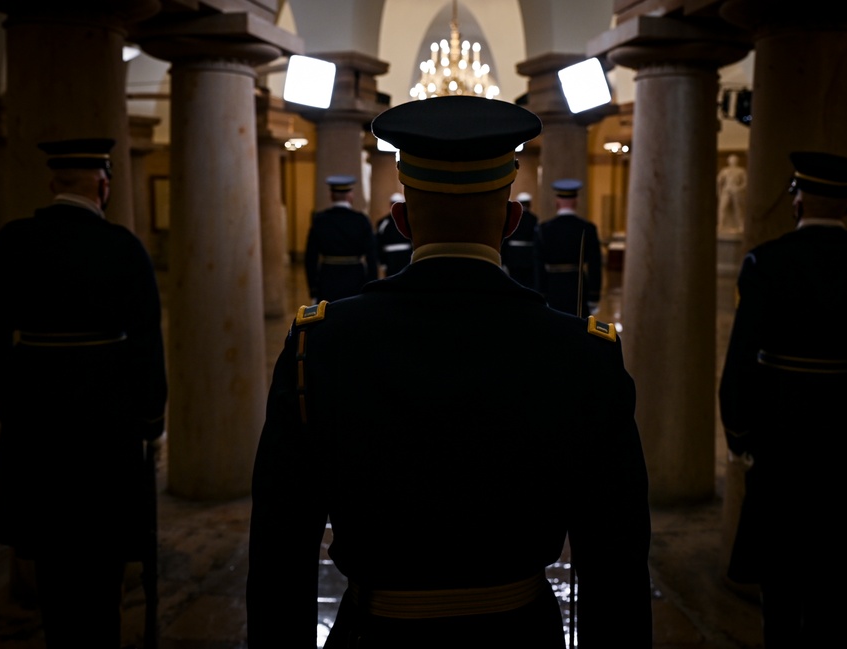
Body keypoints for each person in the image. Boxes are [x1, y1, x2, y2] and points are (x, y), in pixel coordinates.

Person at [248, 96, 651, 648]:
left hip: (377, 633)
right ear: (512, 221)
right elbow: (616, 564)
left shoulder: (318, 344)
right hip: (519, 635)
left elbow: (279, 552)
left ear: (402, 220)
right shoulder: (582, 353)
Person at [0, 138, 168, 649]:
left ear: (53, 182)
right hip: (107, 428)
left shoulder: (13, 241)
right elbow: (147, 342)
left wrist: (13, 407)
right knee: (101, 564)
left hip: (35, 427)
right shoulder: (123, 247)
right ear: (103, 186)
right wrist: (151, 417)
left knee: (53, 560)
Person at [719, 151, 847, 648]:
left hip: (778, 425)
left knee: (781, 576)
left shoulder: (767, 261)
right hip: (843, 424)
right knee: (839, 571)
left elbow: (739, 360)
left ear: (797, 201)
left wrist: (739, 433)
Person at [534, 179, 602, 317]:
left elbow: (538, 265)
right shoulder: (587, 228)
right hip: (578, 286)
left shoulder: (544, 229)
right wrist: (594, 296)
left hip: (552, 286)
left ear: (557, 202)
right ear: (576, 202)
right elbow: (595, 264)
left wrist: (540, 293)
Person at [305, 175, 379, 301]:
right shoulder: (361, 220)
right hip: (356, 278)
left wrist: (313, 287)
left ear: (331, 196)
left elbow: (310, 257)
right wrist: (371, 284)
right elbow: (372, 255)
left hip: (328, 278)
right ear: (350, 196)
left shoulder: (320, 220)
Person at [500, 191, 539, 289]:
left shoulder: (513, 217)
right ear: (529, 204)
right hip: (528, 256)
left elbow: (507, 238)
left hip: (513, 256)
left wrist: (504, 259)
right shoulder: (534, 219)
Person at [376, 191, 412, 276]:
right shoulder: (384, 222)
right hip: (391, 258)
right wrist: (383, 261)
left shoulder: (409, 221)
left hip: (405, 256)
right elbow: (378, 243)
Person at [717, 153, 747, 233]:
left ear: (737, 161)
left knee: (738, 208)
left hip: (736, 191)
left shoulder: (741, 171)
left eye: (734, 160)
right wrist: (720, 192)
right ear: (728, 161)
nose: (733, 161)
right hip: (727, 190)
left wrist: (738, 188)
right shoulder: (725, 170)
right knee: (723, 208)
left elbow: (745, 183)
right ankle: (721, 225)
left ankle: (741, 225)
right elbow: (719, 182)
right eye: (731, 160)